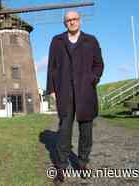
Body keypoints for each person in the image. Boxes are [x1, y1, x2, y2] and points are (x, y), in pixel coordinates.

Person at [46, 10, 104, 182]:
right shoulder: (57, 41)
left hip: (85, 91)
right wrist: (52, 90)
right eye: (68, 20)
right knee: (64, 130)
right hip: (64, 91)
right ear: (65, 23)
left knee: (86, 129)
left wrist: (92, 79)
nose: (72, 22)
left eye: (74, 19)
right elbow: (52, 67)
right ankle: (61, 167)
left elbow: (99, 64)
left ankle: (83, 163)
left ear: (80, 21)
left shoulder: (91, 41)